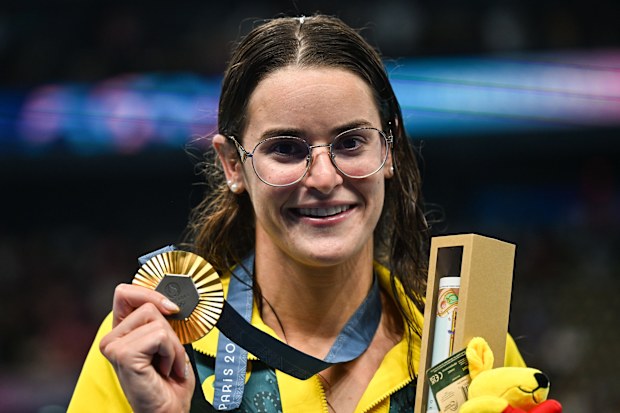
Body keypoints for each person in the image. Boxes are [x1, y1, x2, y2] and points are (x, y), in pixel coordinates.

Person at [68, 14, 525, 413]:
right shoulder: (149, 346)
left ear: (389, 152)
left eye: (350, 143)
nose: (324, 178)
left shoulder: (465, 343)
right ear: (234, 165)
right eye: (285, 149)